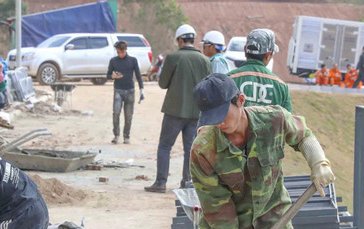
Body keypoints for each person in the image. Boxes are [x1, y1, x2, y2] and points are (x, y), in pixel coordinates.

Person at [189, 73, 335, 229]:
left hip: (272, 222)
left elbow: (303, 135)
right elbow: (217, 207)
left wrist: (318, 162)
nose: (220, 123)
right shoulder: (203, 148)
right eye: (213, 118)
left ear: (240, 101)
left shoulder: (273, 119)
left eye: (224, 114)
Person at [144, 24, 212, 193]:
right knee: (190, 148)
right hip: (196, 112)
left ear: (180, 40)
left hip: (174, 111)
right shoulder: (204, 60)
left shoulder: (174, 57)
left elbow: (162, 83)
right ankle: (187, 181)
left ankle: (160, 183)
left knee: (165, 146)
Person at [228, 28, 292, 112]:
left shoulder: (228, 80)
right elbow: (288, 121)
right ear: (268, 55)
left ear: (245, 49)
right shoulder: (281, 87)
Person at [105, 40, 144, 144]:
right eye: (118, 52)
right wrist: (113, 76)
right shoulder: (113, 61)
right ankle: (116, 134)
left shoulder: (133, 60)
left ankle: (126, 135)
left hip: (130, 90)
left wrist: (141, 89)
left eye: (122, 52)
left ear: (125, 50)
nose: (120, 54)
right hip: (118, 89)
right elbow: (108, 75)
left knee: (128, 115)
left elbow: (138, 75)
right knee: (116, 112)